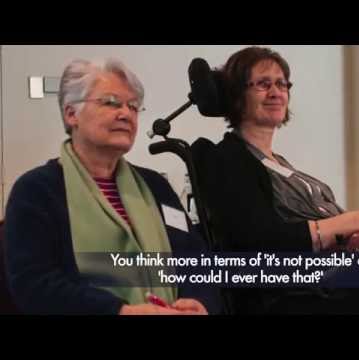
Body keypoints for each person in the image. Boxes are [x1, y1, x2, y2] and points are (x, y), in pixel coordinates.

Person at [192, 46, 359, 314]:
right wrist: (357, 220)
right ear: (237, 95)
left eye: (282, 84)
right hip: (305, 291)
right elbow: (262, 241)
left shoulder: (278, 162)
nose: (276, 92)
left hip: (343, 272)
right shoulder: (228, 159)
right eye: (263, 84)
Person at [5, 58, 221, 315]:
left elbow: (197, 261)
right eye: (110, 102)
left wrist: (200, 301)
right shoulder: (37, 190)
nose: (125, 113)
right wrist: (120, 311)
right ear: (71, 113)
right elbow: (34, 284)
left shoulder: (156, 186)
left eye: (133, 106)